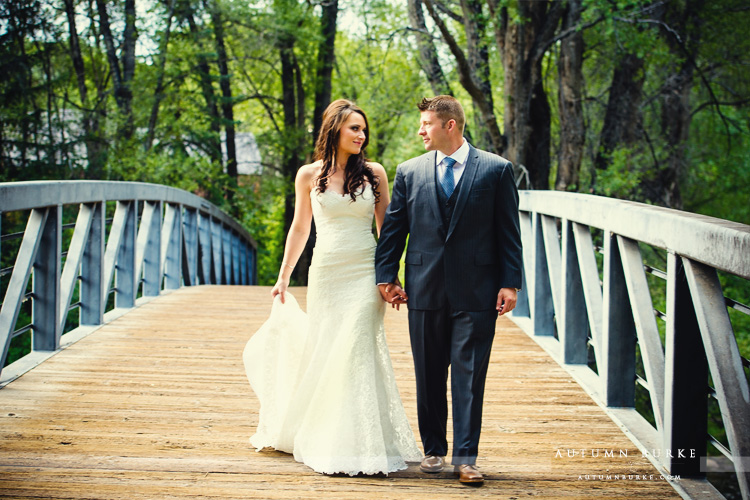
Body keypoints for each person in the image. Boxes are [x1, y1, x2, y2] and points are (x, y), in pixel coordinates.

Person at [243, 99, 421, 476]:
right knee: (328, 349)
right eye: (354, 128)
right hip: (326, 273)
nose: (362, 135)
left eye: (363, 129)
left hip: (364, 272)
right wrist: (284, 274)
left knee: (356, 346)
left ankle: (361, 442)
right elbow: (300, 227)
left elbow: (387, 228)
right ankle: (324, 434)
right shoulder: (308, 175)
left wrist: (391, 275)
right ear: (335, 129)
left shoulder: (375, 173)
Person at [374, 95, 523, 485]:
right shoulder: (409, 171)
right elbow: (394, 230)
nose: (420, 131)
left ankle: (467, 458)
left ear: (450, 125)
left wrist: (511, 282)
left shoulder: (496, 170)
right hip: (423, 289)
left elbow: (509, 232)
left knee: (470, 376)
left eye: (426, 124)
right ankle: (434, 450)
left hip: (479, 290)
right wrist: (387, 276)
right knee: (428, 373)